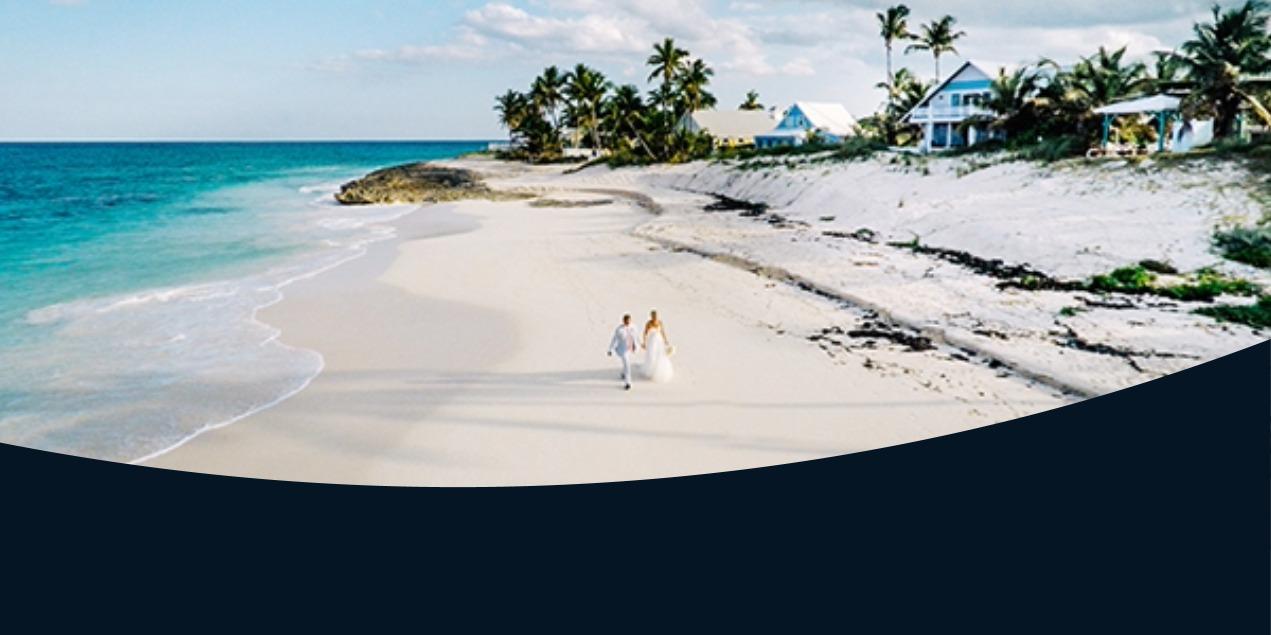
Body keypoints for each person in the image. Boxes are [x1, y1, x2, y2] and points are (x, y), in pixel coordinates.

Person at [641, 310, 675, 384]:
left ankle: (658, 370)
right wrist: (644, 342)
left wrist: (665, 340)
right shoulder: (648, 323)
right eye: (653, 316)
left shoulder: (660, 322)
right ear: (651, 316)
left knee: (660, 354)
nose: (655, 317)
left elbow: (662, 331)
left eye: (656, 316)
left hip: (659, 340)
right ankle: (651, 370)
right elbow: (645, 333)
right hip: (652, 341)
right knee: (651, 354)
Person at [608, 314, 639, 391]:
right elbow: (614, 340)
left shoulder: (634, 327)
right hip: (622, 350)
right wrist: (610, 349)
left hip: (630, 349)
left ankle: (623, 373)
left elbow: (635, 337)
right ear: (623, 321)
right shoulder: (619, 330)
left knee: (626, 364)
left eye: (629, 320)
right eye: (626, 321)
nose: (627, 322)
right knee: (627, 364)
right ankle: (628, 383)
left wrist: (636, 345)